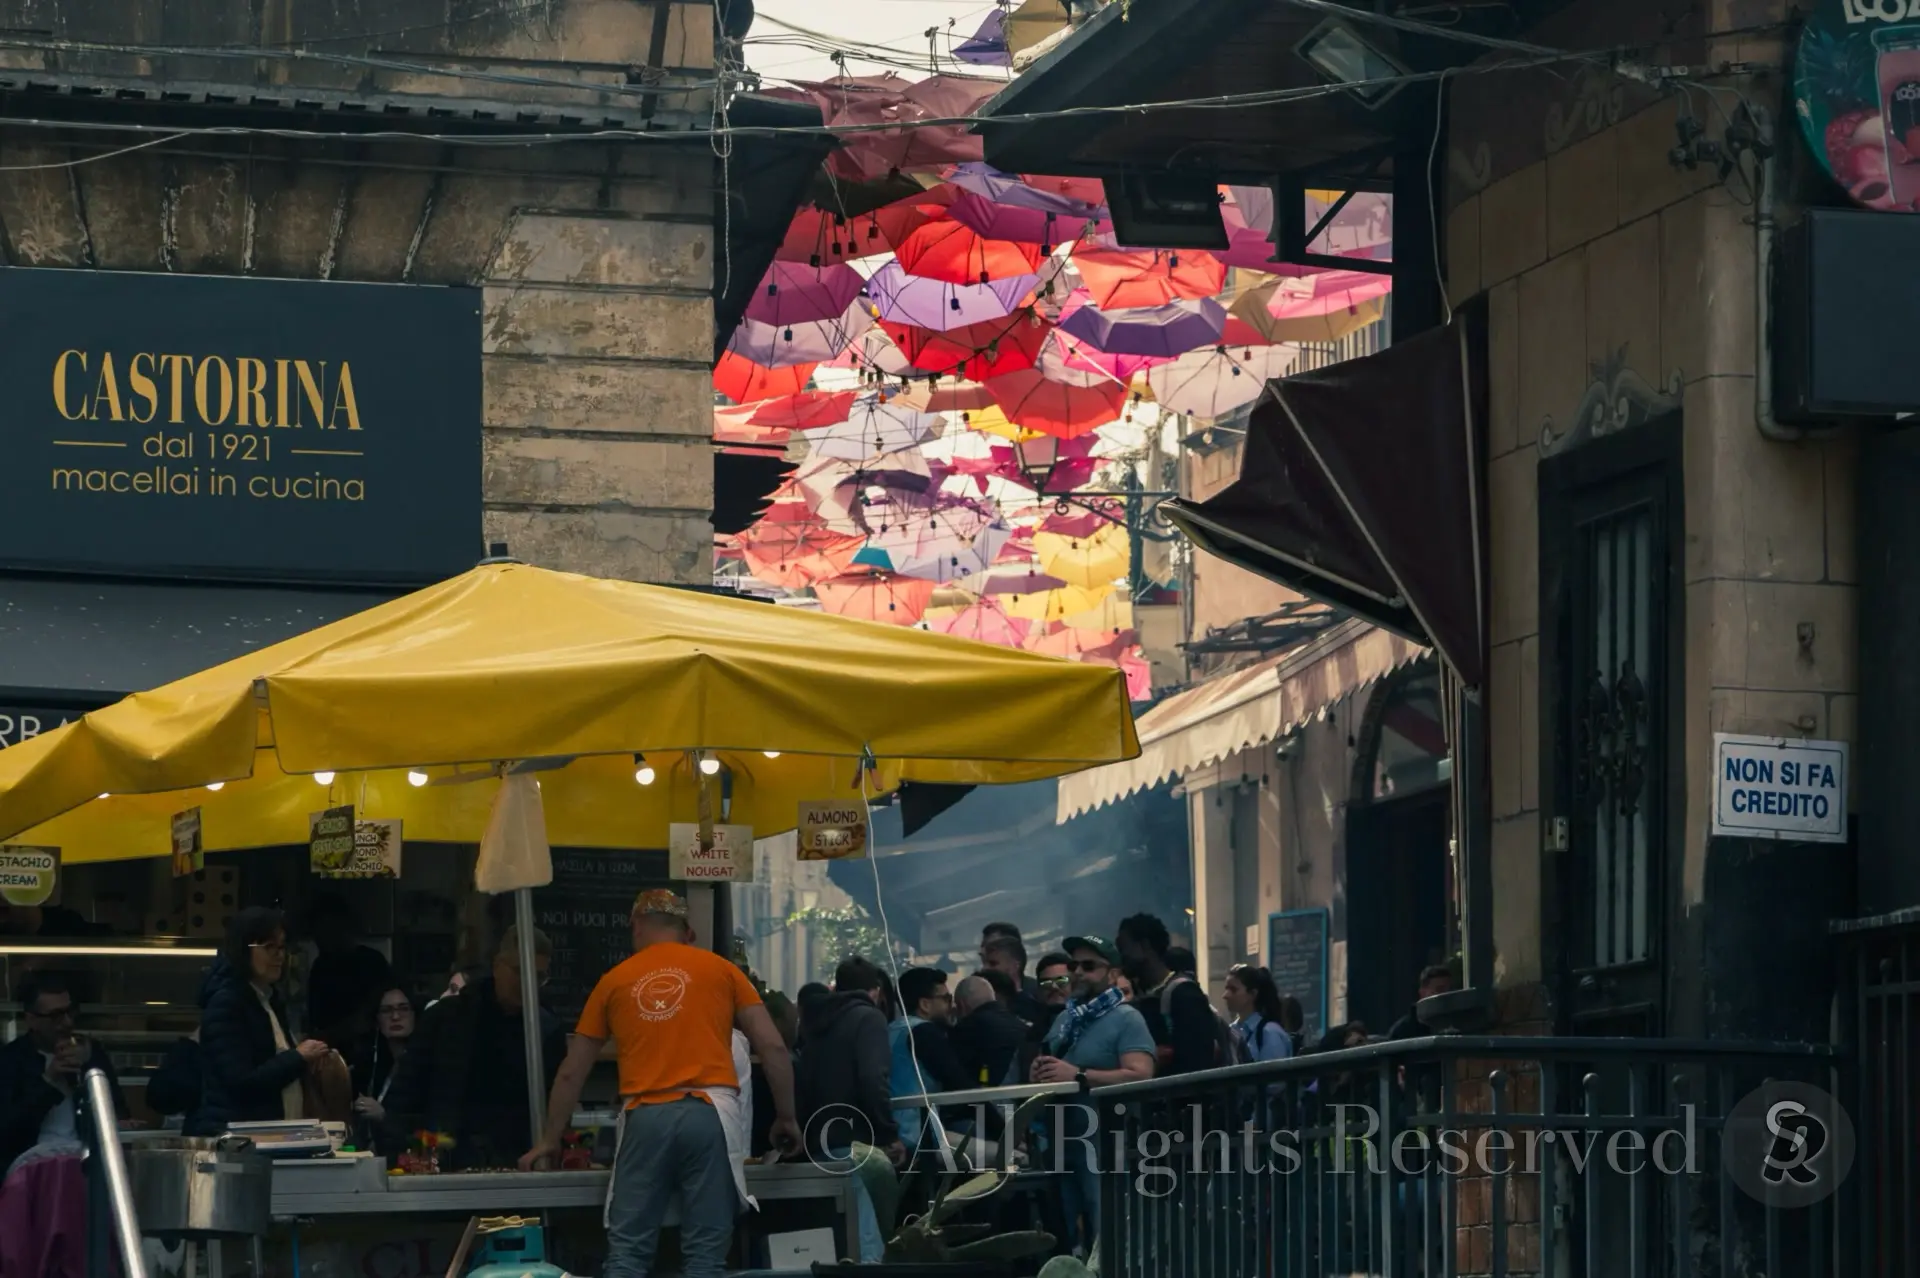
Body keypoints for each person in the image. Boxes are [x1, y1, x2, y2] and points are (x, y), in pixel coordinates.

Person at [519, 890, 799, 1278]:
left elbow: (571, 1072)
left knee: (629, 1256)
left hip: (644, 1118)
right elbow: (772, 1047)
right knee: (705, 1258)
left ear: (636, 927)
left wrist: (549, 1139)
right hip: (710, 1117)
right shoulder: (723, 970)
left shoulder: (613, 981)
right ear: (688, 932)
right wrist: (786, 1117)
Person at [382, 927, 567, 1168]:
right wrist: (405, 1150)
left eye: (538, 977)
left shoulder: (546, 1030)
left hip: (520, 1161)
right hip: (446, 1159)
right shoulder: (447, 1019)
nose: (527, 984)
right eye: (520, 972)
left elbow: (557, 1101)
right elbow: (402, 1096)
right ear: (497, 965)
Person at [1029, 935, 1155, 1256]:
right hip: (1063, 1144)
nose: (1078, 972)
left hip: (1106, 1145)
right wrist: (1039, 1071)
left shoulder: (1127, 1018)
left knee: (1109, 1237)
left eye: (1089, 965)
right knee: (1066, 1241)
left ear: (1113, 973)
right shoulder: (1066, 1019)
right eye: (1074, 965)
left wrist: (1080, 1076)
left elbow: (1141, 1074)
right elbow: (1054, 1063)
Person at [796, 957, 899, 1264]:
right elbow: (872, 1078)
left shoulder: (814, 1020)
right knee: (867, 1242)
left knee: (838, 1243)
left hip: (818, 1142)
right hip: (857, 1142)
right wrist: (887, 1132)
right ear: (876, 990)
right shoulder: (868, 1018)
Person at [192, 908, 331, 1134]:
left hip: (272, 1136)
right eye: (268, 947)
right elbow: (241, 1083)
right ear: (242, 950)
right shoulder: (228, 1003)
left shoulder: (269, 1000)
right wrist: (298, 1057)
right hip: (240, 1142)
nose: (279, 956)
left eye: (282, 947)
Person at [1, 973, 126, 1171]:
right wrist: (48, 1080)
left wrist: (88, 1070)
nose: (67, 1022)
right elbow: (8, 1130)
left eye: (70, 1012)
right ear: (31, 1020)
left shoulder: (92, 1052)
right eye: (55, 1016)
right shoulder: (11, 1059)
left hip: (86, 1163)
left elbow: (117, 1110)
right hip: (29, 1170)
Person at [1117, 913, 1225, 1076]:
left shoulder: (1184, 994)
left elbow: (1197, 1065)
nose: (1122, 957)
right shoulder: (1142, 995)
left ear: (1144, 946)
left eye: (1125, 947)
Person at [889, 966, 969, 1152]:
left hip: (897, 1136)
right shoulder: (924, 1033)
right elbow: (960, 1083)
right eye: (946, 999)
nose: (952, 1006)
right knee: (1010, 1156)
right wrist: (1004, 1132)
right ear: (925, 1004)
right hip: (920, 1138)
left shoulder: (892, 1030)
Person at [304, 895, 393, 1053]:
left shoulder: (371, 962)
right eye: (316, 934)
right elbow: (314, 1018)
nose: (319, 940)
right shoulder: (321, 966)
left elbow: (366, 1019)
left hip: (371, 1050)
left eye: (326, 931)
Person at [350, 986, 415, 1125]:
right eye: (386, 1010)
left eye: (403, 1008)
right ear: (377, 1020)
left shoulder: (425, 1063)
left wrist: (384, 1116)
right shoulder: (371, 1062)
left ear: (414, 1015)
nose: (395, 1017)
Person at [951, 974, 1027, 1089]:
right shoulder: (1019, 1023)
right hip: (1020, 1096)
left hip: (987, 1101)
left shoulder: (966, 1028)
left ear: (962, 1005)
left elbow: (954, 1075)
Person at [1222, 965, 1293, 1063]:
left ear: (1253, 994)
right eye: (1226, 988)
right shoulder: (1232, 1030)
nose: (1226, 995)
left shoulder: (1270, 1033)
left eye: (1233, 990)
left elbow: (1273, 1075)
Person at [979, 930, 1048, 1030]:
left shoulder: (1035, 1002)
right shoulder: (982, 1001)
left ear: (1015, 966)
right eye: (985, 963)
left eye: (993, 963)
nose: (985, 968)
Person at [1388, 964, 1456, 1041]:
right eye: (1440, 990)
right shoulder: (1402, 1031)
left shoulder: (1458, 1026)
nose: (1446, 995)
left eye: (1450, 990)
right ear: (1423, 993)